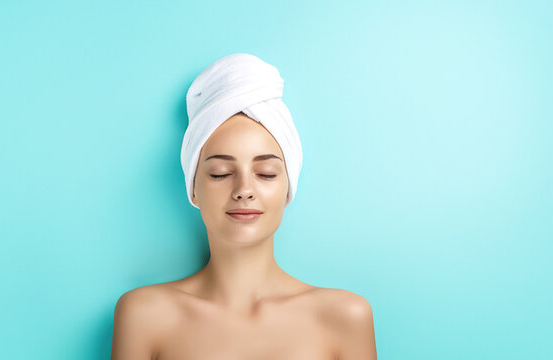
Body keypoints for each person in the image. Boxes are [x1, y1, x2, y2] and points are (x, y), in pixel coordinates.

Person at [111, 54, 377, 360]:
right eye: (220, 173)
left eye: (266, 173)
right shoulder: (144, 316)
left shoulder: (345, 317)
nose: (244, 190)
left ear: (287, 188)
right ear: (193, 189)